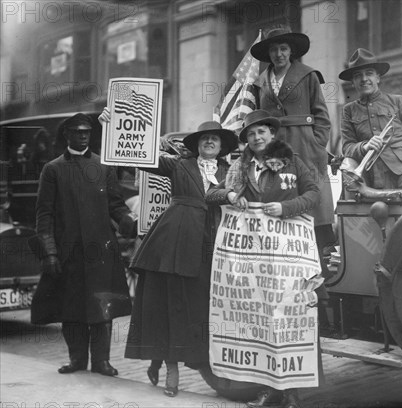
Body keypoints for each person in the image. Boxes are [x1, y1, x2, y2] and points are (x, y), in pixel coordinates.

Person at [208, 109, 321, 408]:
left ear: (272, 134)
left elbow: (314, 194)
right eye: (251, 134)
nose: (257, 138)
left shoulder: (292, 161)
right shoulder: (239, 167)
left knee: (289, 318)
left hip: (289, 255)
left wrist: (287, 208)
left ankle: (292, 394)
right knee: (261, 320)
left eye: (262, 132)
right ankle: (270, 389)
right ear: (245, 139)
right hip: (255, 259)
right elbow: (212, 195)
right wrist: (231, 197)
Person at [119, 119, 238, 397]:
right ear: (196, 144)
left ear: (221, 147)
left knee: (200, 306)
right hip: (177, 237)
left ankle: (202, 361)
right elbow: (141, 155)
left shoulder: (231, 172)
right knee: (169, 302)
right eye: (204, 138)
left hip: (212, 241)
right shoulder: (179, 165)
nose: (209, 142)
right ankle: (167, 365)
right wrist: (117, 130)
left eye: (215, 139)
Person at [32, 113, 137, 377]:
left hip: (102, 251)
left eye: (86, 132)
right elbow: (44, 215)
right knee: (72, 309)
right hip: (68, 252)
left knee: (103, 307)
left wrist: (129, 221)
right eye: (77, 132)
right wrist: (50, 253)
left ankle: (101, 361)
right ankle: (77, 360)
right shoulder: (53, 169)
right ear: (66, 134)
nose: (82, 136)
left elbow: (115, 204)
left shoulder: (103, 165)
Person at [250, 25, 336, 286]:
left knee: (315, 215)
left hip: (306, 148)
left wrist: (315, 144)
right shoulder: (260, 82)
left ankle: (324, 292)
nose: (279, 54)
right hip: (274, 152)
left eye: (284, 48)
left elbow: (322, 116)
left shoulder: (308, 75)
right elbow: (257, 120)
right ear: (269, 53)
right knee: (281, 211)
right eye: (274, 49)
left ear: (292, 51)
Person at [339, 48, 402, 201]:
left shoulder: (398, 102)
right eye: (358, 76)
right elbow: (347, 147)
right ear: (353, 82)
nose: (364, 79)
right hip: (373, 180)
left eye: (369, 73)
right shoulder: (348, 111)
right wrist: (364, 146)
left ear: (378, 78)